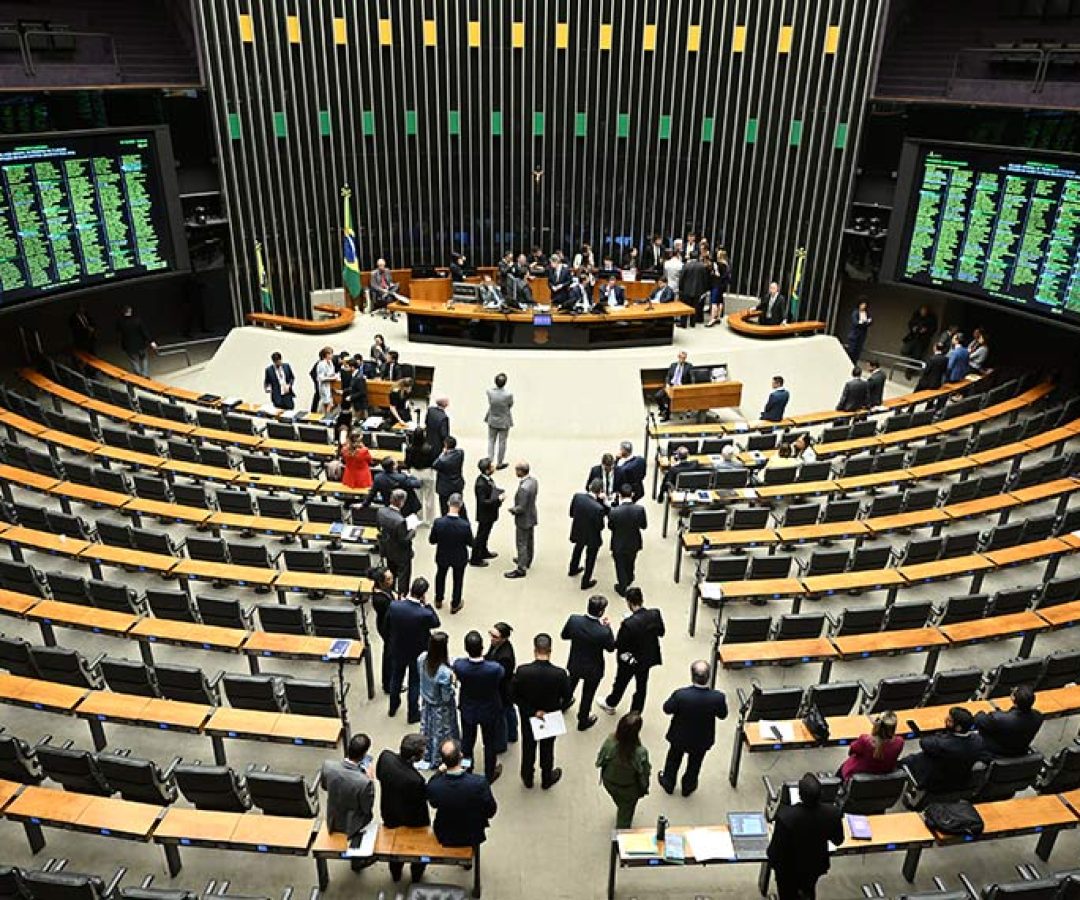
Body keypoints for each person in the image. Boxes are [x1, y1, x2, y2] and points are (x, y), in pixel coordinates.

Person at [767, 772, 845, 900]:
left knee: (787, 895)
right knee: (808, 889)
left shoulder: (786, 817)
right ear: (821, 794)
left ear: (799, 795)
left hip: (788, 870)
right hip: (814, 865)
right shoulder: (832, 813)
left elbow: (775, 852)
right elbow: (838, 840)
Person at [656, 660, 727, 796]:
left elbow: (667, 709)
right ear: (708, 676)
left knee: (673, 760)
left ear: (692, 676)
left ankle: (668, 782)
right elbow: (722, 715)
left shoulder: (681, 695)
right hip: (702, 738)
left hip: (679, 735)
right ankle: (688, 787)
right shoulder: (717, 697)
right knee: (695, 764)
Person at [512, 633, 572, 790]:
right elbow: (568, 697)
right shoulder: (560, 674)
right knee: (547, 748)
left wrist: (532, 711)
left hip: (529, 716)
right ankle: (546, 778)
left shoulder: (523, 671)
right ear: (550, 650)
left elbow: (514, 695)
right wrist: (553, 709)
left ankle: (527, 777)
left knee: (528, 746)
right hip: (550, 717)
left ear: (534, 650)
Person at [599, 587, 665, 715]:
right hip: (647, 658)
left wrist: (609, 629)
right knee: (641, 686)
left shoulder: (628, 624)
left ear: (628, 602)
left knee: (621, 683)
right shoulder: (655, 614)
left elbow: (618, 644)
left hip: (629, 660)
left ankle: (611, 703)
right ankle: (635, 713)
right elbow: (661, 632)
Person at [376, 733, 430, 883]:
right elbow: (422, 798)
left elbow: (380, 776)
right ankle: (416, 875)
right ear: (414, 758)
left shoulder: (385, 757)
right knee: (418, 848)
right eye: (423, 750)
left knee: (394, 849)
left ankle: (396, 874)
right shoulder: (415, 780)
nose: (425, 752)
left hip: (389, 813)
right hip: (413, 820)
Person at [385, 578, 441, 723]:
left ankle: (393, 706)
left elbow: (387, 625)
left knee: (396, 677)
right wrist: (428, 605)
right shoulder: (424, 613)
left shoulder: (394, 606)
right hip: (417, 651)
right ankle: (413, 713)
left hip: (398, 648)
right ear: (423, 594)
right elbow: (436, 622)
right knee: (414, 682)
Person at [453, 630, 505, 783]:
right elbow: (501, 676)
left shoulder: (460, 666)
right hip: (489, 709)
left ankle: (467, 769)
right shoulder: (494, 669)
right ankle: (490, 773)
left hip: (469, 710)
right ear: (482, 648)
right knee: (489, 743)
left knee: (467, 743)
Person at [426, 738, 497, 847]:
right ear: (461, 755)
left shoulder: (435, 786)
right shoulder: (479, 783)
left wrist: (438, 772)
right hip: (473, 833)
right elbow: (491, 810)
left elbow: (433, 803)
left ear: (442, 760)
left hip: (445, 833)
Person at [560, 595, 616, 731]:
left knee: (570, 684)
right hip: (593, 668)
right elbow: (611, 648)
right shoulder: (603, 631)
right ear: (601, 612)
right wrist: (608, 628)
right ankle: (583, 719)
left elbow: (564, 635)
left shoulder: (574, 620)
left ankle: (563, 703)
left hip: (575, 662)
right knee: (588, 695)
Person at [321, 733, 376, 870]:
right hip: (353, 823)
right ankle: (357, 861)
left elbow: (324, 786)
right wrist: (371, 781)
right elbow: (366, 808)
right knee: (368, 819)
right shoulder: (364, 782)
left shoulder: (328, 766)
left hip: (333, 816)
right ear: (364, 755)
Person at [901, 706, 983, 793]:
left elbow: (924, 742)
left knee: (906, 761)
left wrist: (939, 735)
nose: (946, 720)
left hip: (935, 780)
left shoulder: (941, 745)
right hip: (960, 780)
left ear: (958, 728)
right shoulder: (978, 740)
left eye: (950, 721)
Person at [595, 711, 651, 828]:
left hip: (609, 783)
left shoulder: (609, 742)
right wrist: (644, 788)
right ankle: (619, 841)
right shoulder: (640, 753)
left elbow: (600, 761)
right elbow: (644, 774)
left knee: (620, 802)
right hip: (628, 789)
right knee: (624, 818)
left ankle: (621, 806)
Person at [418, 631, 459, 766]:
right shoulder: (444, 673)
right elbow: (446, 697)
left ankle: (428, 753)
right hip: (441, 708)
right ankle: (440, 757)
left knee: (428, 730)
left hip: (426, 702)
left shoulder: (422, 658)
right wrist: (453, 684)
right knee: (442, 733)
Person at [429, 493, 473, 613]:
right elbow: (470, 543)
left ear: (448, 503)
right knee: (458, 580)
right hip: (459, 556)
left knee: (440, 576)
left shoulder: (439, 522)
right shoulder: (464, 525)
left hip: (442, 555)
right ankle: (455, 603)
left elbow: (432, 541)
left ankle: (438, 599)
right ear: (461, 505)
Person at [974, 685, 1043, 758]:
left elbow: (979, 719)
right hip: (1020, 752)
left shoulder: (998, 718)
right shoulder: (1038, 717)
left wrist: (981, 712)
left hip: (995, 753)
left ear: (1013, 698)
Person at [568, 479, 608, 591]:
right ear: (600, 491)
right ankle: (585, 581)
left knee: (578, 548)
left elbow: (571, 513)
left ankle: (573, 568)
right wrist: (604, 503)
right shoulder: (598, 508)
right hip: (592, 536)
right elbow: (601, 526)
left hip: (579, 530)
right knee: (590, 558)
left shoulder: (577, 497)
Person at [840, 711, 903, 780]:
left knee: (844, 766)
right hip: (884, 777)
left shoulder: (864, 740)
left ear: (877, 724)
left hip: (858, 775)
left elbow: (851, 752)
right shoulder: (899, 742)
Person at [609, 484, 647, 596]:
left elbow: (610, 527)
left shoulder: (614, 511)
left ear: (619, 495)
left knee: (619, 565)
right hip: (634, 542)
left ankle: (622, 586)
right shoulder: (640, 510)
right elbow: (644, 526)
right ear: (632, 494)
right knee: (631, 561)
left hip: (618, 542)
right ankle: (629, 578)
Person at [377, 488, 416, 594]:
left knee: (391, 573)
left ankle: (390, 593)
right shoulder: (400, 521)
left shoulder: (381, 512)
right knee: (403, 577)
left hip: (388, 549)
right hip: (401, 554)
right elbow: (404, 540)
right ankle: (401, 596)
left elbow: (379, 528)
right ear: (401, 502)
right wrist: (412, 531)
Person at [486, 622, 518, 752]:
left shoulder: (505, 656)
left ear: (504, 638)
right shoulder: (496, 645)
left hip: (503, 689)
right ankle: (512, 734)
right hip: (503, 688)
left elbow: (500, 675)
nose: (492, 639)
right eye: (491, 635)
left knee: (503, 714)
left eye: (495, 636)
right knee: (508, 710)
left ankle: (503, 741)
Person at [504, 461, 538, 579]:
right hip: (532, 515)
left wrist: (512, 510)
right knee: (529, 540)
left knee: (521, 543)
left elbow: (521, 508)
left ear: (520, 471)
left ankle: (521, 567)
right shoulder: (533, 481)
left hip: (523, 519)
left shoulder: (523, 488)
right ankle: (527, 560)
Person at [471, 457, 503, 567]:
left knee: (486, 534)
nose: (494, 468)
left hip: (490, 513)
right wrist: (497, 500)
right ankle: (475, 558)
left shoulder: (488, 479)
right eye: (491, 466)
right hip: (485, 514)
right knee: (481, 535)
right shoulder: (481, 484)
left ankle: (483, 551)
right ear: (487, 470)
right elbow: (483, 501)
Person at [370, 566, 396, 694]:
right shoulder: (380, 599)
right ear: (382, 582)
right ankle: (388, 684)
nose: (393, 580)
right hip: (386, 627)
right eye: (389, 579)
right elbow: (392, 611)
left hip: (386, 623)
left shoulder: (384, 591)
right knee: (389, 655)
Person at [431, 436, 466, 518]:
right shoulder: (460, 453)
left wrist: (443, 453)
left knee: (444, 508)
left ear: (445, 446)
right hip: (457, 484)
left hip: (445, 488)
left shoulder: (443, 460)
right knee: (458, 505)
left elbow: (434, 465)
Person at [484, 373, 514, 469]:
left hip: (492, 418)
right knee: (502, 442)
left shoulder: (490, 392)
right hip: (504, 420)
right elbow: (510, 405)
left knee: (491, 440)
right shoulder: (508, 395)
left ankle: (490, 461)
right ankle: (499, 462)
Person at [117, 306, 156, 377]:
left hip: (129, 346)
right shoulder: (137, 320)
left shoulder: (120, 322)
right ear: (130, 311)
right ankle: (145, 375)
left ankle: (138, 375)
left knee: (134, 360)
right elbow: (144, 332)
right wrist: (151, 341)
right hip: (140, 344)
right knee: (144, 359)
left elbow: (119, 333)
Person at [655, 351, 694, 421]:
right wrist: (667, 384)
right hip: (671, 385)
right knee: (658, 396)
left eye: (684, 358)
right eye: (681, 357)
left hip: (681, 387)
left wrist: (690, 387)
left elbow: (692, 378)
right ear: (678, 357)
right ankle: (663, 409)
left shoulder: (689, 366)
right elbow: (668, 376)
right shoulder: (673, 365)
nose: (682, 359)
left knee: (669, 398)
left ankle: (667, 416)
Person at [679, 253, 711, 326]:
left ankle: (683, 323)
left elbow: (682, 278)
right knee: (694, 307)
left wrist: (680, 288)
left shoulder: (686, 265)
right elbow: (705, 279)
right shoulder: (702, 266)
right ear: (698, 257)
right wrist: (704, 289)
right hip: (698, 290)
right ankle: (692, 323)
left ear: (690, 257)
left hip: (686, 290)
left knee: (685, 307)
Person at [705, 249, 732, 327]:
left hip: (716, 285)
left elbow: (717, 274)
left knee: (714, 302)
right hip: (722, 286)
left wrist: (715, 273)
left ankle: (712, 319)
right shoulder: (727, 264)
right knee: (720, 301)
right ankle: (718, 317)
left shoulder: (718, 264)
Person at [846, 298, 873, 363]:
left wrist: (864, 322)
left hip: (862, 336)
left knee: (857, 353)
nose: (864, 306)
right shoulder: (855, 312)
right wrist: (863, 323)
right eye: (862, 304)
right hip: (854, 336)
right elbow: (856, 322)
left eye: (865, 305)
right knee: (851, 352)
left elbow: (870, 321)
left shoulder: (867, 313)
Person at [314, 346, 337, 416]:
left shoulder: (331, 363)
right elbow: (320, 378)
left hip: (330, 385)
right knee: (327, 403)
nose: (331, 355)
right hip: (324, 386)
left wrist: (334, 376)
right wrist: (331, 378)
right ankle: (324, 416)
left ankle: (325, 415)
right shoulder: (321, 364)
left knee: (329, 403)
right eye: (330, 354)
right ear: (326, 355)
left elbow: (331, 373)